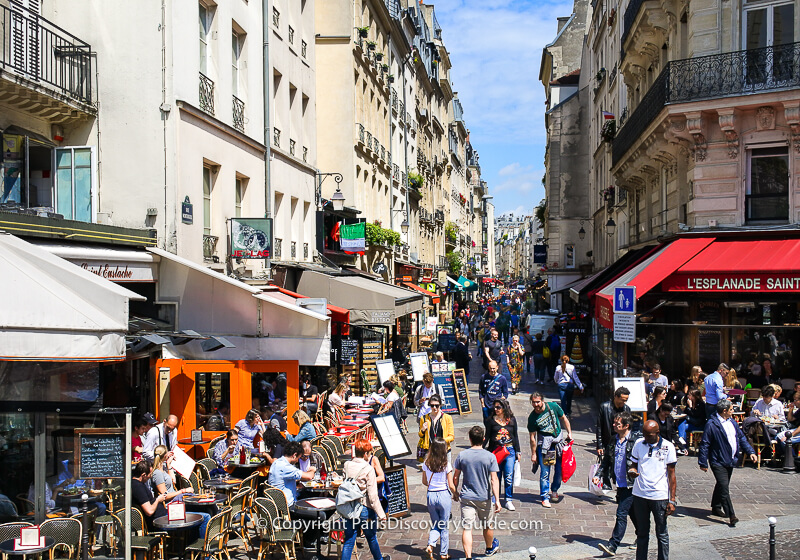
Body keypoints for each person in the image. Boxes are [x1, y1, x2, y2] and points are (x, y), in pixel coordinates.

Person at [698, 400, 756, 526]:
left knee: (721, 484)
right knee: (724, 487)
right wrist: (703, 462)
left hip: (730, 459)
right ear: (724, 411)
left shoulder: (732, 422)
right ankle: (732, 515)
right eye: (731, 409)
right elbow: (705, 444)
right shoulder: (712, 424)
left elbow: (741, 438)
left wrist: (751, 451)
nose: (732, 411)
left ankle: (716, 506)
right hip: (717, 460)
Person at [630, 420, 677, 560]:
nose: (646, 437)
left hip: (659, 496)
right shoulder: (639, 444)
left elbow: (672, 475)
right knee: (642, 533)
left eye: (649, 435)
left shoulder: (668, 447)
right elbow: (633, 465)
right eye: (644, 434)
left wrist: (672, 500)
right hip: (640, 494)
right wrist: (632, 471)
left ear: (657, 433)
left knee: (661, 532)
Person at [594, 412, 639, 557]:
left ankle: (613, 545)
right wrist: (598, 475)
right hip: (620, 483)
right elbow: (606, 460)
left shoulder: (636, 441)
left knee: (621, 513)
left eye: (617, 424)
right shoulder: (614, 440)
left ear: (626, 426)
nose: (613, 425)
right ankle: (642, 535)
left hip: (632, 484)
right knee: (631, 512)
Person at [453, 426, 501, 559]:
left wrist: (455, 491)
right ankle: (489, 548)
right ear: (484, 439)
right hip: (484, 497)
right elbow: (494, 479)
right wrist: (497, 500)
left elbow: (455, 476)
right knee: (487, 525)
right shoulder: (490, 456)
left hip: (467, 497)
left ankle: (468, 557)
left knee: (467, 528)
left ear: (470, 439)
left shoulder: (462, 455)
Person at [341, 439, 389, 560]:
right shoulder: (368, 469)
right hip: (364, 508)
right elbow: (373, 497)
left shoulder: (347, 465)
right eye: (369, 453)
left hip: (349, 507)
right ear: (365, 454)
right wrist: (381, 514)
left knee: (349, 541)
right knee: (371, 537)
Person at [152, 446, 211, 535]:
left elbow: (173, 481)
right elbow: (165, 496)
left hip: (177, 501)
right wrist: (183, 491)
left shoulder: (163, 468)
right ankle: (202, 543)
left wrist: (169, 465)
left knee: (208, 507)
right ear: (164, 455)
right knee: (206, 515)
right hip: (172, 506)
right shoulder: (157, 474)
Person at [528, 392, 572, 508]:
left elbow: (564, 418)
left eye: (538, 402)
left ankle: (554, 490)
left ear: (542, 400)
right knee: (545, 472)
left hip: (558, 443)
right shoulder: (532, 417)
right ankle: (544, 497)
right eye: (533, 402)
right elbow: (532, 437)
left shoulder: (553, 406)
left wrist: (569, 433)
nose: (536, 404)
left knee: (559, 470)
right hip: (545, 447)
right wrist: (533, 454)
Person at [483, 399, 521, 511]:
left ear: (504, 408)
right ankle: (495, 498)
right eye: (495, 407)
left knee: (509, 476)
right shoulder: (490, 421)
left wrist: (518, 451)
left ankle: (508, 499)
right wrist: (481, 449)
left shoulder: (511, 420)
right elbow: (488, 436)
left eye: (498, 407)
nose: (496, 409)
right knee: (496, 476)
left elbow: (516, 436)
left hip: (509, 450)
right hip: (496, 450)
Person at [422, 439, 456, 560]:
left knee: (436, 524)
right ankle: (443, 553)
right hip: (443, 496)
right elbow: (451, 485)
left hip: (431, 495)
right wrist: (456, 494)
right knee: (444, 526)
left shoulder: (426, 463)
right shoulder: (446, 464)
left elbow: (424, 481)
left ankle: (431, 544)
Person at [596, 387, 632, 488]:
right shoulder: (605, 407)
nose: (624, 402)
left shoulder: (626, 409)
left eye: (626, 400)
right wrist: (599, 445)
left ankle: (619, 486)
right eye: (623, 399)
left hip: (621, 441)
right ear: (616, 397)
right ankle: (606, 485)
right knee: (606, 463)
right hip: (608, 439)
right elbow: (600, 427)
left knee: (620, 464)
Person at [130, 459, 169, 531]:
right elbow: (149, 511)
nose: (150, 476)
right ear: (143, 475)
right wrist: (158, 500)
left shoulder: (136, 484)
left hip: (163, 515)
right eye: (150, 474)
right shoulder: (138, 488)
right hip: (159, 520)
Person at [419, 395, 455, 459]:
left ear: (440, 405)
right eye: (432, 405)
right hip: (430, 451)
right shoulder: (424, 418)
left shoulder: (447, 418)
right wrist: (422, 430)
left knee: (445, 468)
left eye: (437, 405)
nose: (434, 407)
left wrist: (441, 441)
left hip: (444, 450)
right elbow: (421, 435)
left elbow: (452, 436)